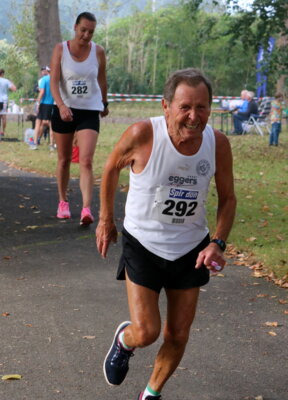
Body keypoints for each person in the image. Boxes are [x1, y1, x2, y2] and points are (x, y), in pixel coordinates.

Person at [96, 68, 237, 400]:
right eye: (185, 107)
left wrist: (217, 241)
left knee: (178, 334)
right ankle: (124, 341)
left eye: (202, 107)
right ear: (165, 106)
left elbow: (228, 198)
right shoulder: (143, 134)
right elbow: (111, 167)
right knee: (147, 332)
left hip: (191, 247)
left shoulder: (217, 143)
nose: (193, 116)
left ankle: (151, 394)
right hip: (143, 242)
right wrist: (106, 220)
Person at [50, 11, 109, 225]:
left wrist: (104, 102)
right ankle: (63, 202)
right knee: (64, 159)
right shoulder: (60, 49)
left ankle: (86, 209)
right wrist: (61, 105)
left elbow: (102, 80)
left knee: (86, 160)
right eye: (83, 30)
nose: (86, 35)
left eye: (91, 32)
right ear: (75, 27)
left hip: (89, 110)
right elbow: (54, 82)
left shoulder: (98, 51)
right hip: (64, 110)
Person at [30, 66, 55, 151]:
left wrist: (37, 102)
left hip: (44, 104)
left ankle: (35, 143)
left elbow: (42, 92)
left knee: (38, 123)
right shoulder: (56, 79)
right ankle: (52, 145)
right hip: (52, 104)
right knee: (52, 125)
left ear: (47, 71)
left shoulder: (44, 79)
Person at [0, 69, 17, 137]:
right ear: (3, 74)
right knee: (4, 116)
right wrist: (11, 83)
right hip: (4, 100)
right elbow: (14, 89)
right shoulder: (6, 81)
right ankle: (3, 132)